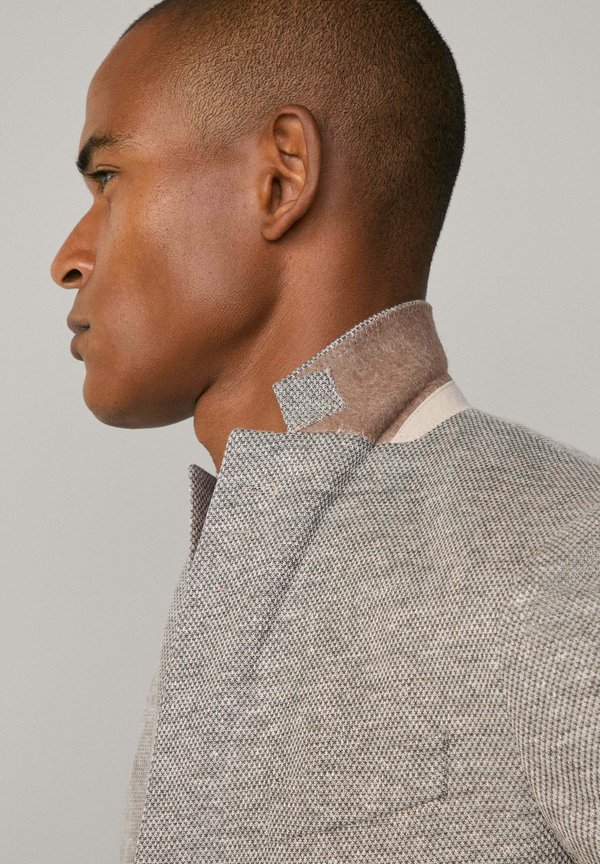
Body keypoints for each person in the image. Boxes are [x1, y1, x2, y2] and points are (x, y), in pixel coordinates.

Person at [50, 1, 600, 862]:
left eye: (109, 178)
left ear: (281, 177)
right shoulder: (239, 568)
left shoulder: (570, 563)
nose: (68, 258)